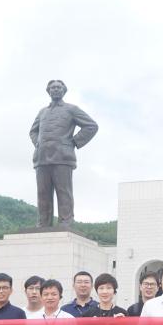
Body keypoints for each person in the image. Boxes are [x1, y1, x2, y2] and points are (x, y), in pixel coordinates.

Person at [30, 79, 99, 227]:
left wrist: (74, 142)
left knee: (63, 191)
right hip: (41, 157)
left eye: (58, 87)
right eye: (53, 88)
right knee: (43, 193)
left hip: (62, 156)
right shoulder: (42, 112)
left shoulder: (71, 109)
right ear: (48, 91)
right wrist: (37, 143)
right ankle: (43, 223)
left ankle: (66, 221)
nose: (55, 89)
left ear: (63, 91)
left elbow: (91, 126)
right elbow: (33, 131)